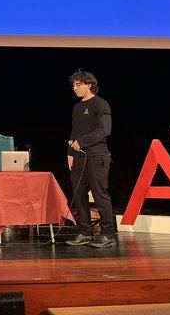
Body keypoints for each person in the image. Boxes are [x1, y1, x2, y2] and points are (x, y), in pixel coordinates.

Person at [65, 70, 117, 248]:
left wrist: (82, 141)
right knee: (79, 196)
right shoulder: (77, 107)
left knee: (100, 195)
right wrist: (70, 153)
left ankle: (108, 235)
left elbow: (104, 131)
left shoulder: (101, 104)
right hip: (79, 157)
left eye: (78, 84)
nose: (75, 88)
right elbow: (74, 132)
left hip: (97, 156)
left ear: (89, 85)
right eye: (73, 85)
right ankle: (84, 233)